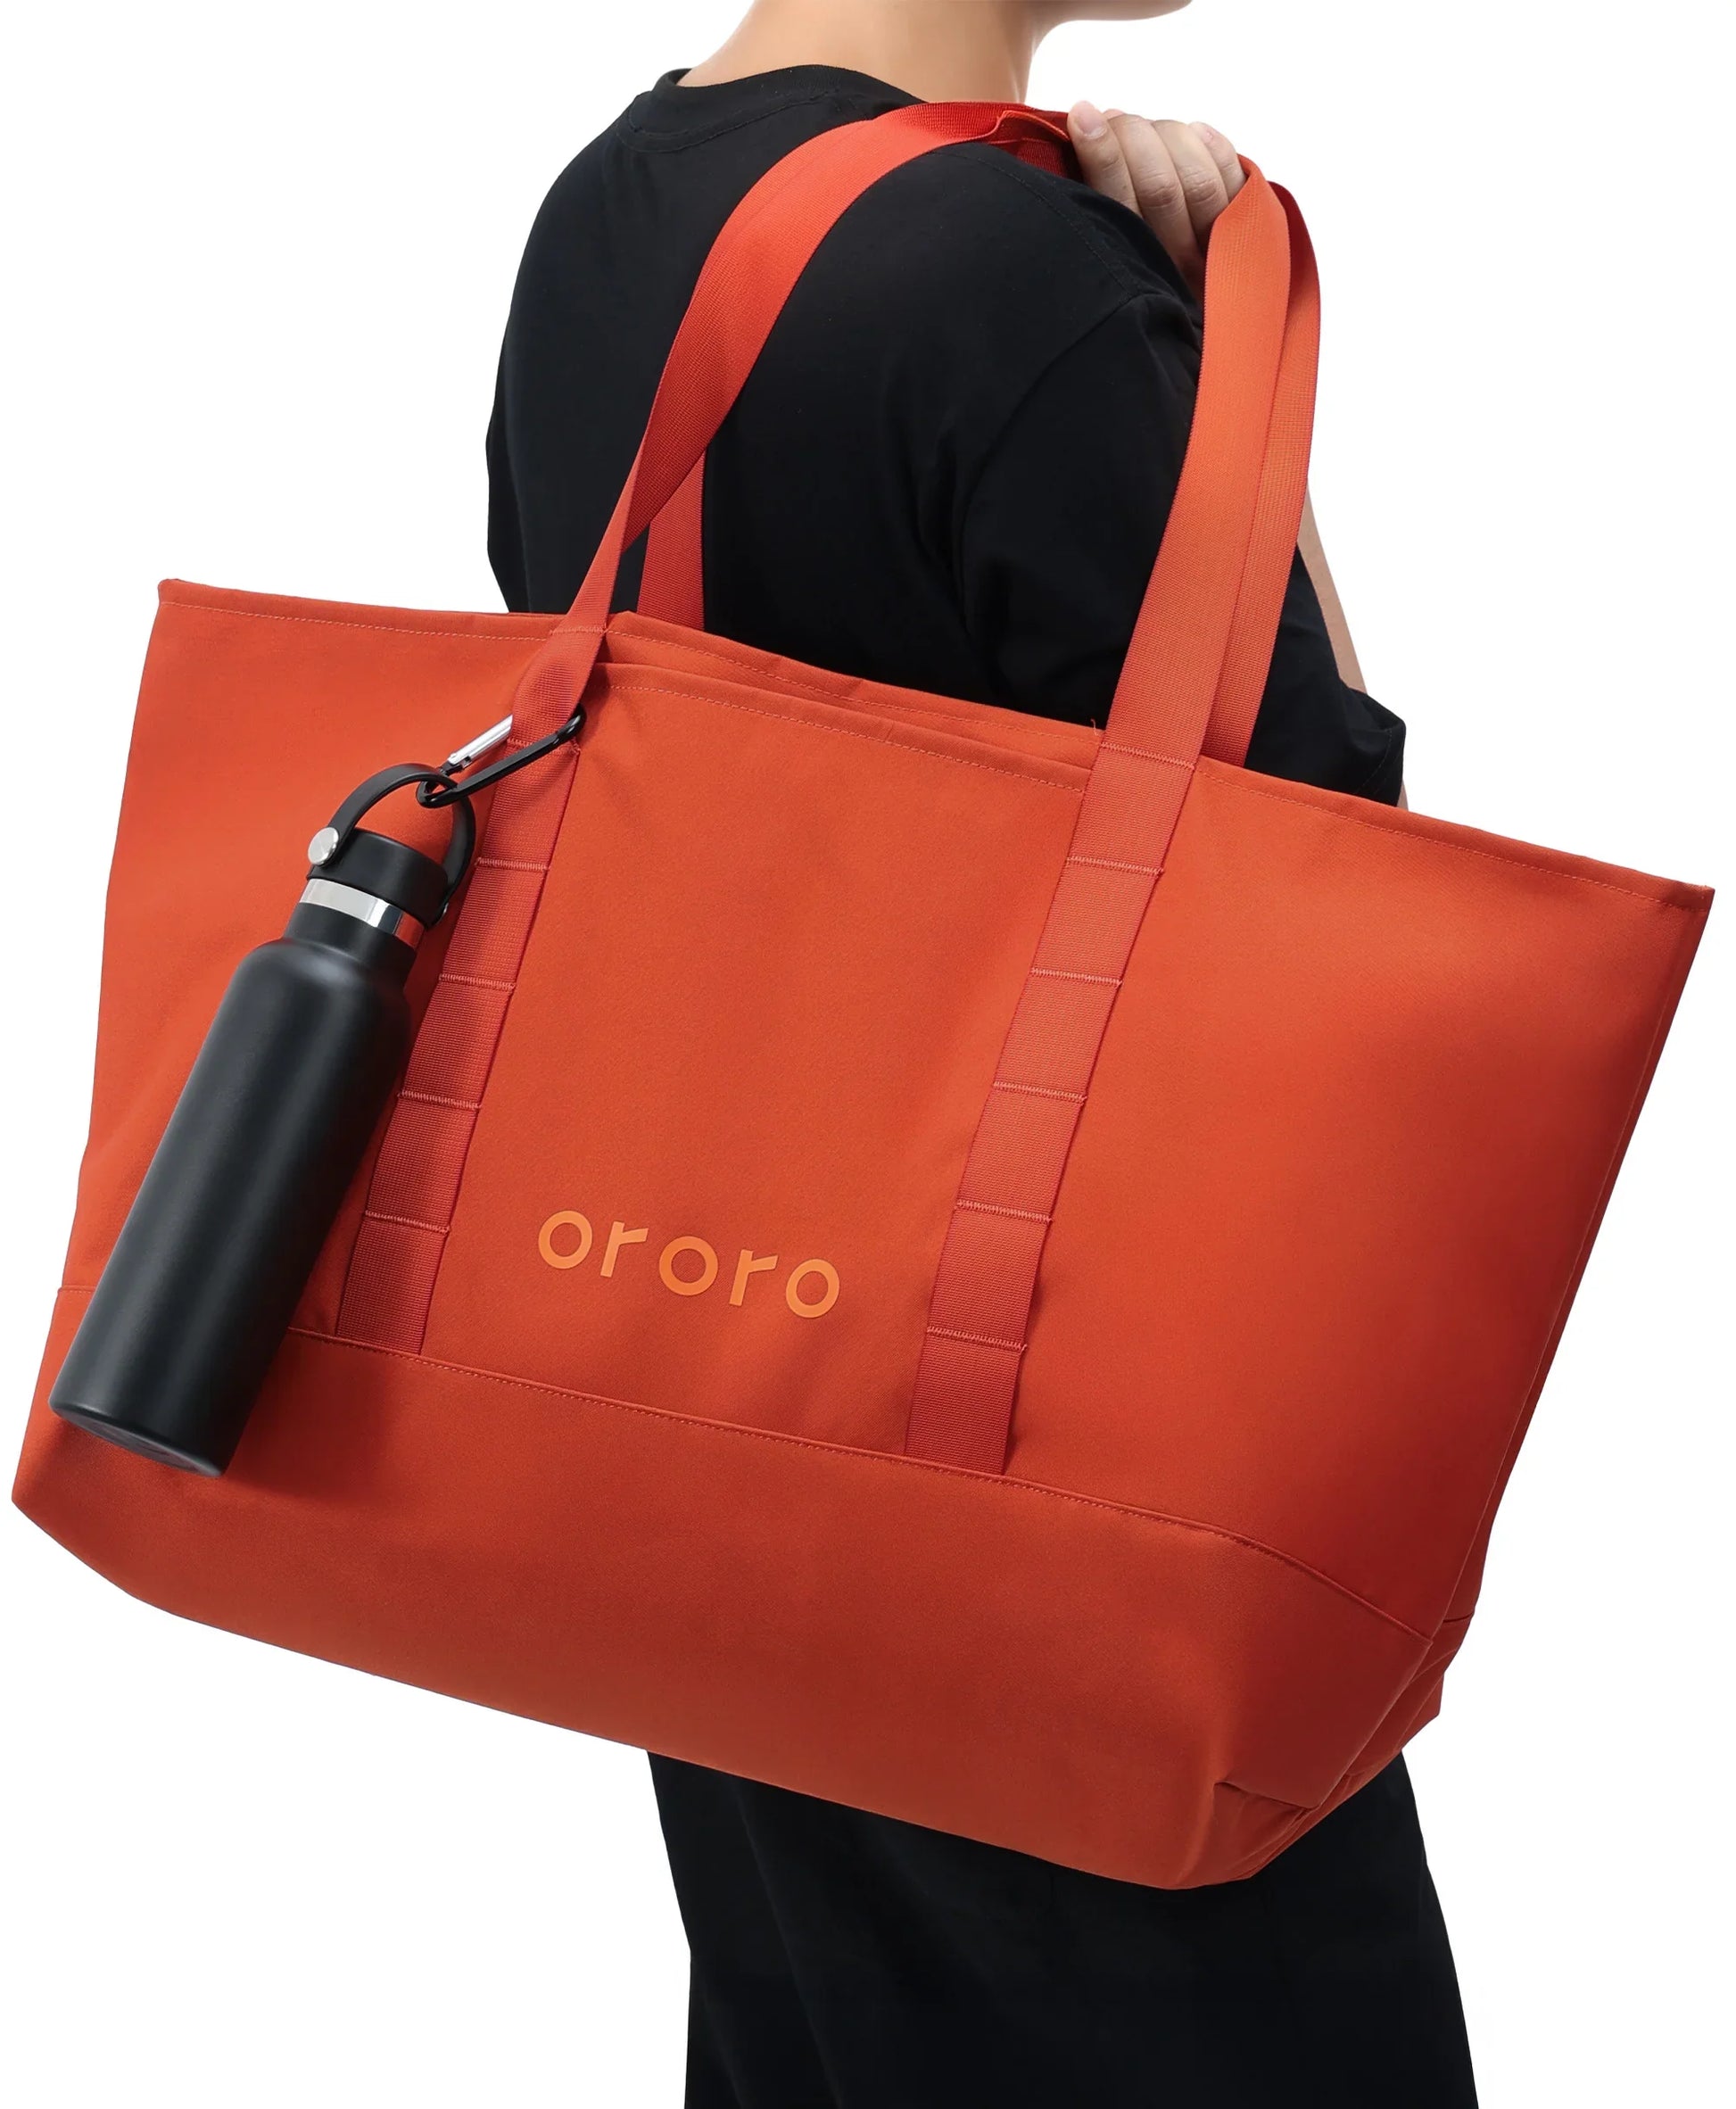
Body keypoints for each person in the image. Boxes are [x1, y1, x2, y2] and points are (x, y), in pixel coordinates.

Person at [488, 4, 1475, 2103]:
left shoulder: (606, 210)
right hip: (1074, 1522)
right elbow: (1328, 882)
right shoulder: (1023, 274)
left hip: (707, 1451)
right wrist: (1225, 362)